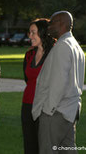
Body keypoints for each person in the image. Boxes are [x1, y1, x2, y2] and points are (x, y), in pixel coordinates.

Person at [32, 11, 85, 154]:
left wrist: (48, 110)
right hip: (70, 111)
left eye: (52, 23)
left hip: (55, 113)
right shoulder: (76, 47)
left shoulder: (62, 46)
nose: (48, 27)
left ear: (61, 24)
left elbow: (58, 83)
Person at [21, 18, 55, 154]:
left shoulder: (54, 54)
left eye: (33, 32)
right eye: (29, 33)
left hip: (45, 106)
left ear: (43, 33)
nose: (30, 36)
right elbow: (27, 79)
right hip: (27, 104)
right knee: (30, 145)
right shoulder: (29, 55)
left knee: (46, 146)